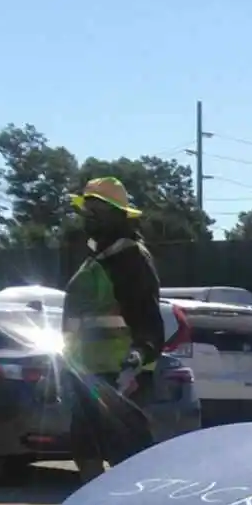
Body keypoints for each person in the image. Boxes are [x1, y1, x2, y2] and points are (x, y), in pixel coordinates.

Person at [61, 176, 166, 476]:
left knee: (126, 456)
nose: (89, 218)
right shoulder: (96, 259)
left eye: (98, 211)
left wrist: (138, 356)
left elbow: (148, 319)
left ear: (119, 217)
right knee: (85, 448)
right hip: (87, 373)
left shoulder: (130, 259)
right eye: (87, 210)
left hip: (121, 376)